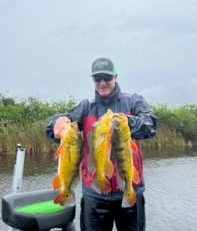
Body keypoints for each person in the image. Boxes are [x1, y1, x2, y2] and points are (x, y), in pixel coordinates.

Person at [46, 57, 158, 231]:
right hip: (94, 195)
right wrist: (58, 123)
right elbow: (58, 125)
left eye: (107, 77)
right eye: (98, 79)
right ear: (93, 81)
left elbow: (151, 125)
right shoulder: (85, 108)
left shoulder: (134, 102)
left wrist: (126, 123)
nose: (103, 83)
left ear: (116, 77)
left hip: (130, 190)